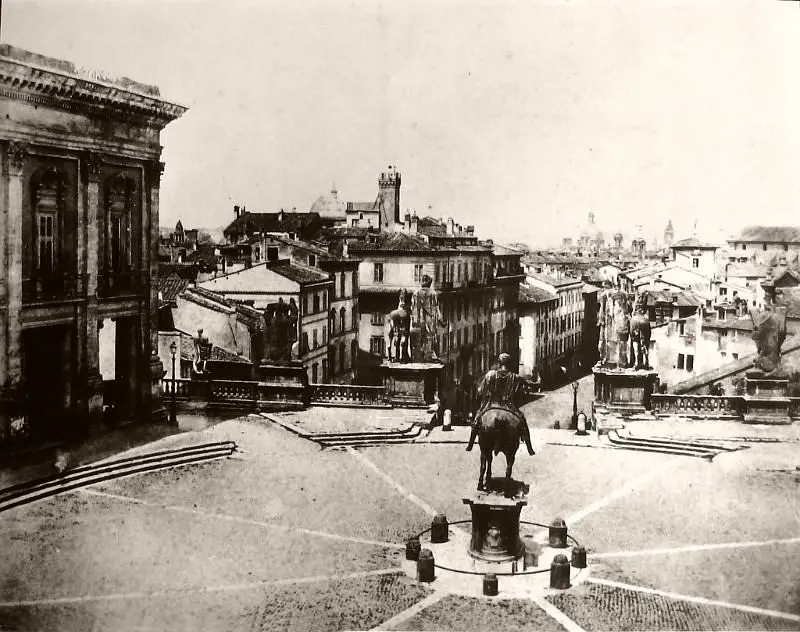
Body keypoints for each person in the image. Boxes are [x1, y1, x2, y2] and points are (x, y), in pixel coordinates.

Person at [466, 353, 535, 455]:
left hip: (491, 405)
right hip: (509, 407)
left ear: (499, 363)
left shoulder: (490, 375)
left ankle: (470, 443)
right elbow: (530, 384)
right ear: (510, 364)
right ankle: (529, 447)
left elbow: (480, 392)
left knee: (477, 420)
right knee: (522, 422)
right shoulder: (515, 377)